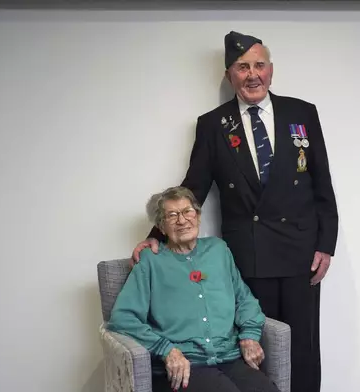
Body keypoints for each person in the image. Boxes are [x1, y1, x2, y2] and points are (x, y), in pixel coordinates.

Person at [131, 31, 339, 392]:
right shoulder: (213, 124)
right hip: (250, 254)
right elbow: (194, 185)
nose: (252, 74)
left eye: (259, 65)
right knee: (255, 347)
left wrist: (326, 243)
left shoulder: (301, 113)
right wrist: (156, 234)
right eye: (243, 67)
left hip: (300, 251)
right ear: (230, 75)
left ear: (271, 71)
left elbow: (322, 184)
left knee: (301, 346)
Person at [108, 186, 279, 392]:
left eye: (187, 211)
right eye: (172, 215)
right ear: (161, 227)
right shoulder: (150, 261)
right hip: (186, 364)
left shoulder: (218, 250)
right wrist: (167, 350)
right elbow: (122, 318)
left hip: (230, 357)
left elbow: (244, 299)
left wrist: (250, 334)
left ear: (197, 216)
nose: (182, 220)